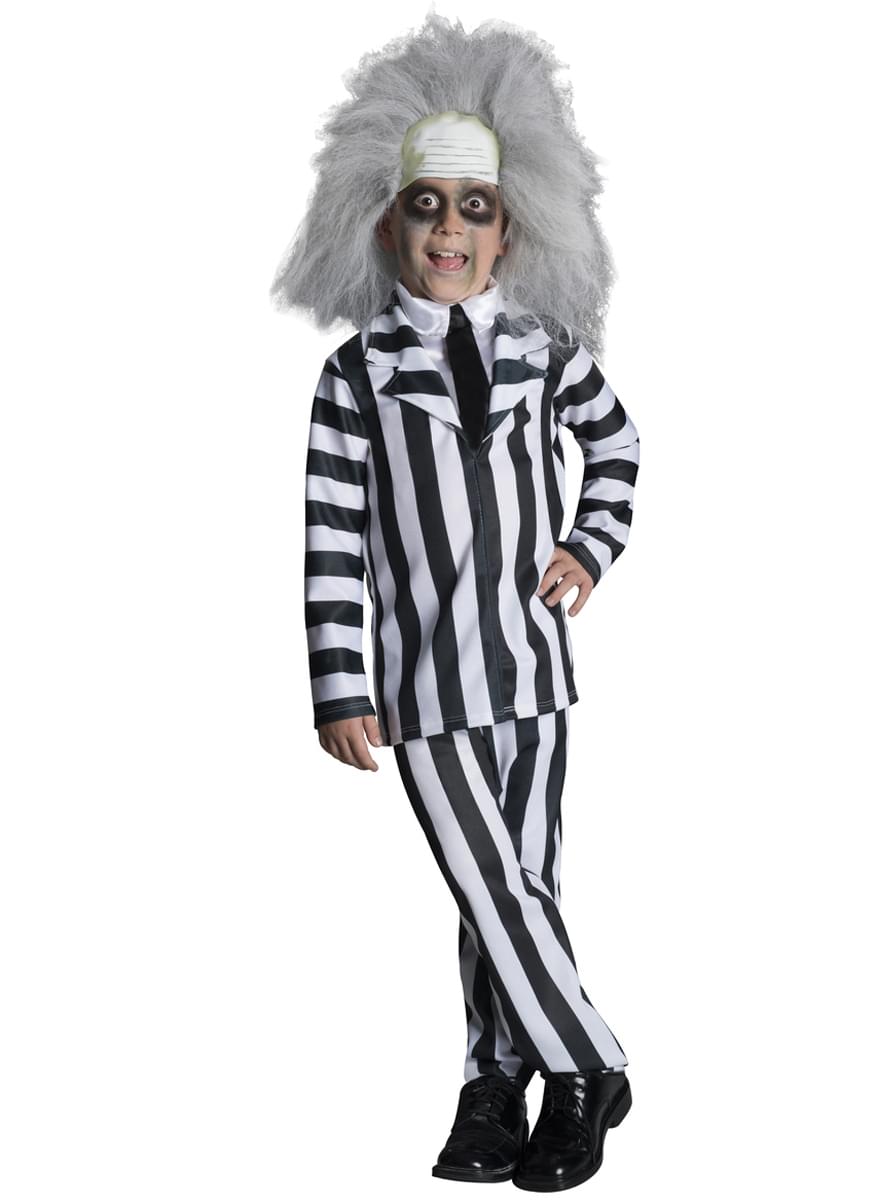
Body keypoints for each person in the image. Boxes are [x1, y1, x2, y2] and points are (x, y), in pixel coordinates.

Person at [270, 13, 640, 1191]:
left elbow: (617, 445)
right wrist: (340, 685)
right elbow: (332, 536)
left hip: (534, 670)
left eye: (473, 208)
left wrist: (589, 544)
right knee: (487, 880)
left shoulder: (543, 348)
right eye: (425, 206)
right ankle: (590, 1063)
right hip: (425, 681)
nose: (448, 230)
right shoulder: (358, 376)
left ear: (510, 226)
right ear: (383, 221)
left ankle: (494, 1086)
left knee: (515, 893)